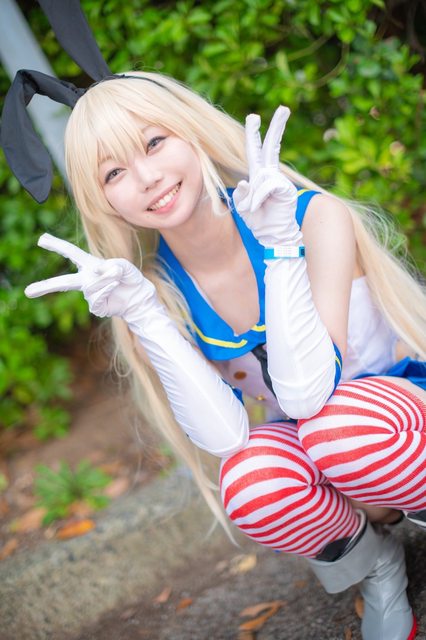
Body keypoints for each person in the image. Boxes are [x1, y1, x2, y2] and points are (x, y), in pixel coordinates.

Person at [9, 71, 426, 640]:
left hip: (398, 422)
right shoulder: (152, 292)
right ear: (104, 201)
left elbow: (311, 393)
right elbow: (228, 438)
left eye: (154, 142)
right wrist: (146, 315)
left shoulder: (308, 216)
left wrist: (281, 249)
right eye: (113, 173)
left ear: (192, 133)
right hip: (329, 451)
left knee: (335, 426)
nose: (147, 178)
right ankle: (378, 567)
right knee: (251, 478)